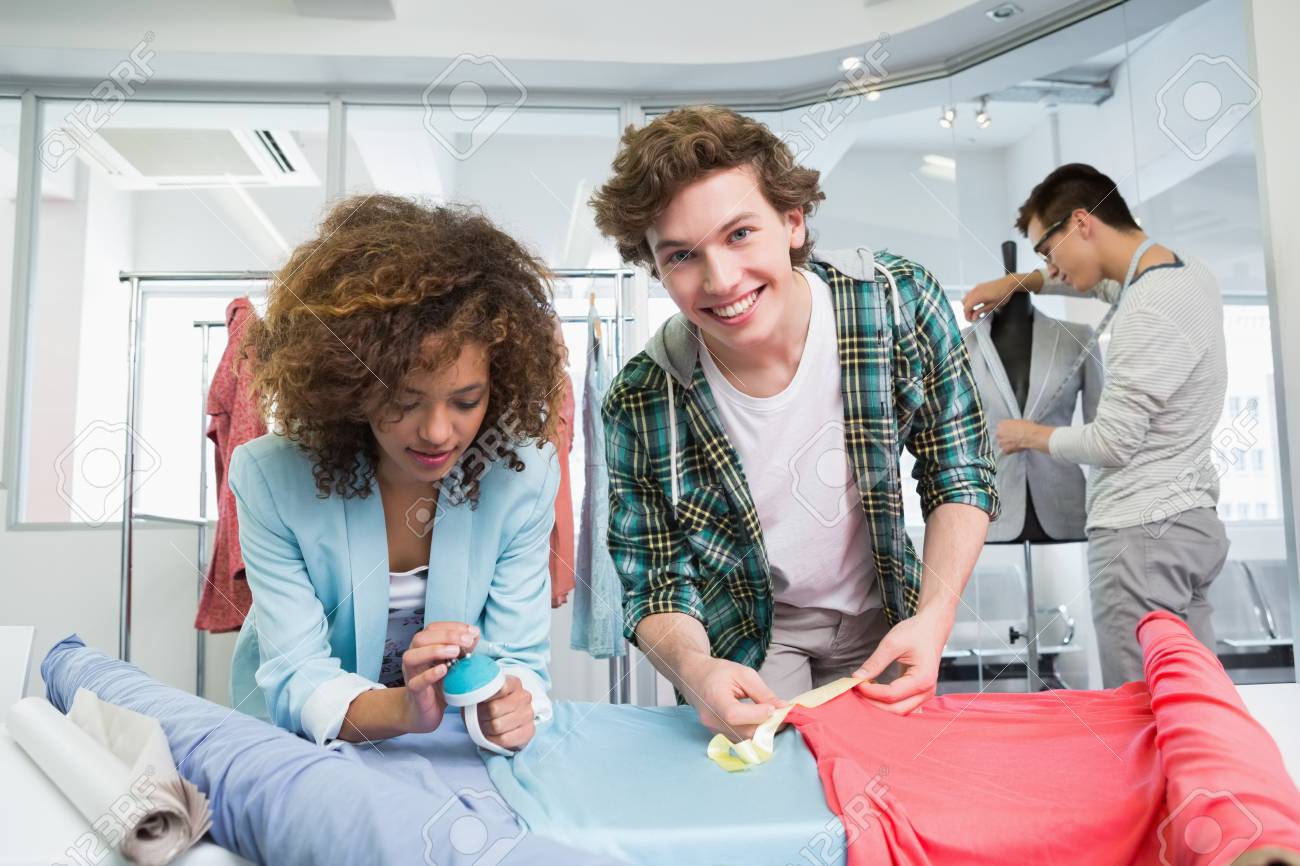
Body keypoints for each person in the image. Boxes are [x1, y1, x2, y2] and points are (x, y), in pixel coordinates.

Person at [590, 105, 999, 740]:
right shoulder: (641, 397)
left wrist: (936, 614)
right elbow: (655, 577)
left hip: (888, 610)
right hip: (751, 634)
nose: (721, 280)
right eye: (682, 256)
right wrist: (696, 669)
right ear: (655, 266)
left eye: (739, 234)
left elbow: (958, 466)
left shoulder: (898, 300)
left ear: (792, 221)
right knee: (768, 778)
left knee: (886, 781)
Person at [228, 194, 566, 749]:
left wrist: (508, 707)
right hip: (300, 741)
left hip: (448, 744)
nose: (437, 432)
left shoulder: (523, 478)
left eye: (466, 401)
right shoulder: (272, 478)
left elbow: (519, 661)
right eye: (404, 401)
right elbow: (298, 676)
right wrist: (405, 709)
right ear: (352, 385)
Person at [961, 162, 1230, 688]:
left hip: (1139, 536)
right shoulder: (1182, 275)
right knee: (1193, 695)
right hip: (1190, 526)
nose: (1050, 267)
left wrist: (1028, 435)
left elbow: (1112, 441)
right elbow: (1092, 285)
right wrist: (1015, 282)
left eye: (1047, 250)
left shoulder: (1147, 309)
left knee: (1135, 701)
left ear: (1082, 222)